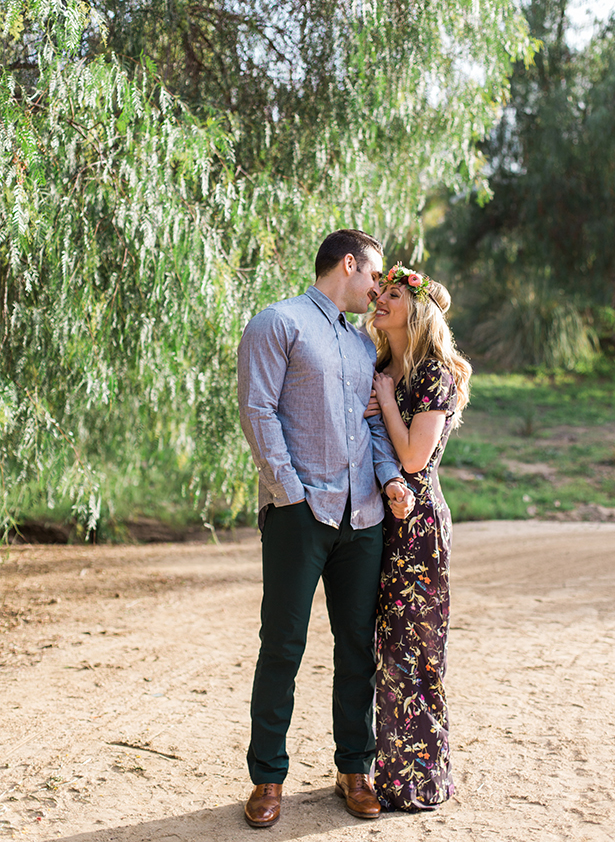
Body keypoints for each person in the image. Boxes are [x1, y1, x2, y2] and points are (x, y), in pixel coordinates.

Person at [237, 230, 415, 829]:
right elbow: (257, 410)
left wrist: (390, 478)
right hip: (299, 516)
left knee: (357, 650)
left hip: (363, 517)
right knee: (283, 647)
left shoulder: (364, 347)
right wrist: (289, 494)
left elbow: (369, 430)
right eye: (374, 276)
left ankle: (353, 770)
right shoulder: (277, 323)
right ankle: (267, 778)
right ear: (349, 264)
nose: (378, 288)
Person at [364, 262, 471, 812]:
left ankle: (420, 780)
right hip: (377, 517)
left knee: (415, 649)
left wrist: (382, 401)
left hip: (419, 524)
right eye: (377, 292)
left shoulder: (433, 375)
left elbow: (412, 457)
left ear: (418, 309)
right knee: (383, 649)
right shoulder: (383, 365)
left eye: (391, 295)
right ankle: (382, 773)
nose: (378, 300)